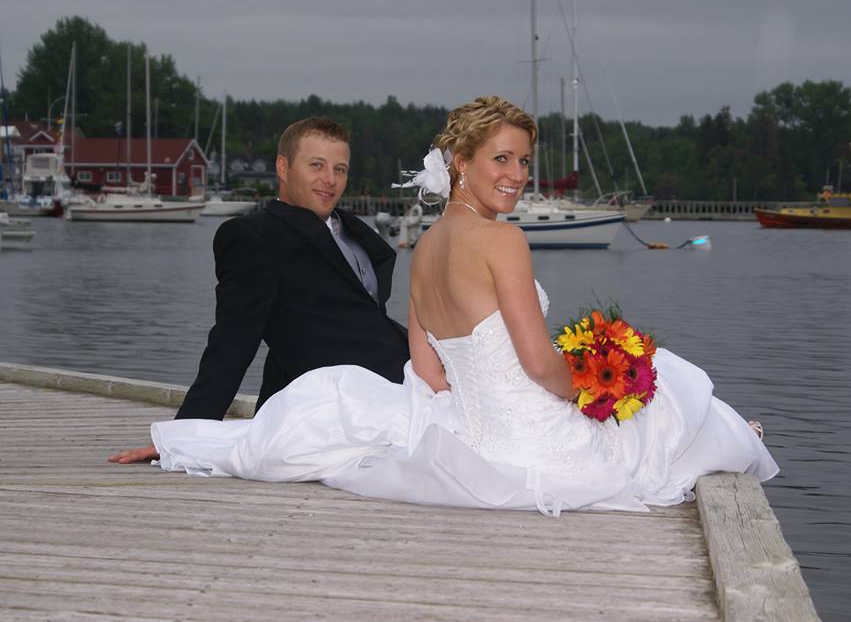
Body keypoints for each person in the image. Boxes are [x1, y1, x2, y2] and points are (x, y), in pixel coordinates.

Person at [139, 96, 778, 515]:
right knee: (663, 387)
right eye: (501, 158)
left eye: (523, 160)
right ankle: (727, 435)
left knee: (652, 390)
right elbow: (538, 365)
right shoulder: (504, 241)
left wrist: (485, 406)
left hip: (475, 433)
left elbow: (428, 370)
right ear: (461, 163)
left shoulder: (425, 247)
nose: (517, 174)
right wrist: (589, 391)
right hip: (530, 434)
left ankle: (718, 431)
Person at [109, 117, 409, 464]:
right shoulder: (254, 237)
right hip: (342, 410)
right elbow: (234, 339)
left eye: (339, 169)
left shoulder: (357, 233)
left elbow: (313, 334)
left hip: (401, 383)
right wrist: (183, 437)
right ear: (283, 167)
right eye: (316, 165)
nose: (330, 179)